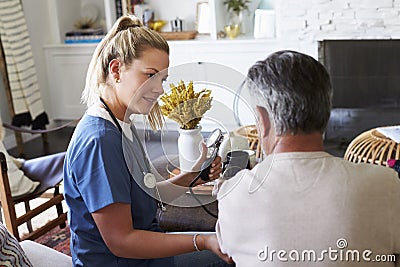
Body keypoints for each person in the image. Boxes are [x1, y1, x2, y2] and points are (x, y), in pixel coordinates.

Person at [63, 15, 233, 267]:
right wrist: (203, 240)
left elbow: (148, 192)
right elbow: (122, 241)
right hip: (123, 262)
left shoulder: (121, 124)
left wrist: (193, 174)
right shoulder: (100, 141)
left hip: (142, 251)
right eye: (150, 75)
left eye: (162, 79)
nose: (160, 89)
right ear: (116, 69)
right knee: (230, 257)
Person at [216, 50, 400, 266]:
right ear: (326, 111)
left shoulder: (233, 194)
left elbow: (228, 252)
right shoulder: (385, 184)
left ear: (263, 121)